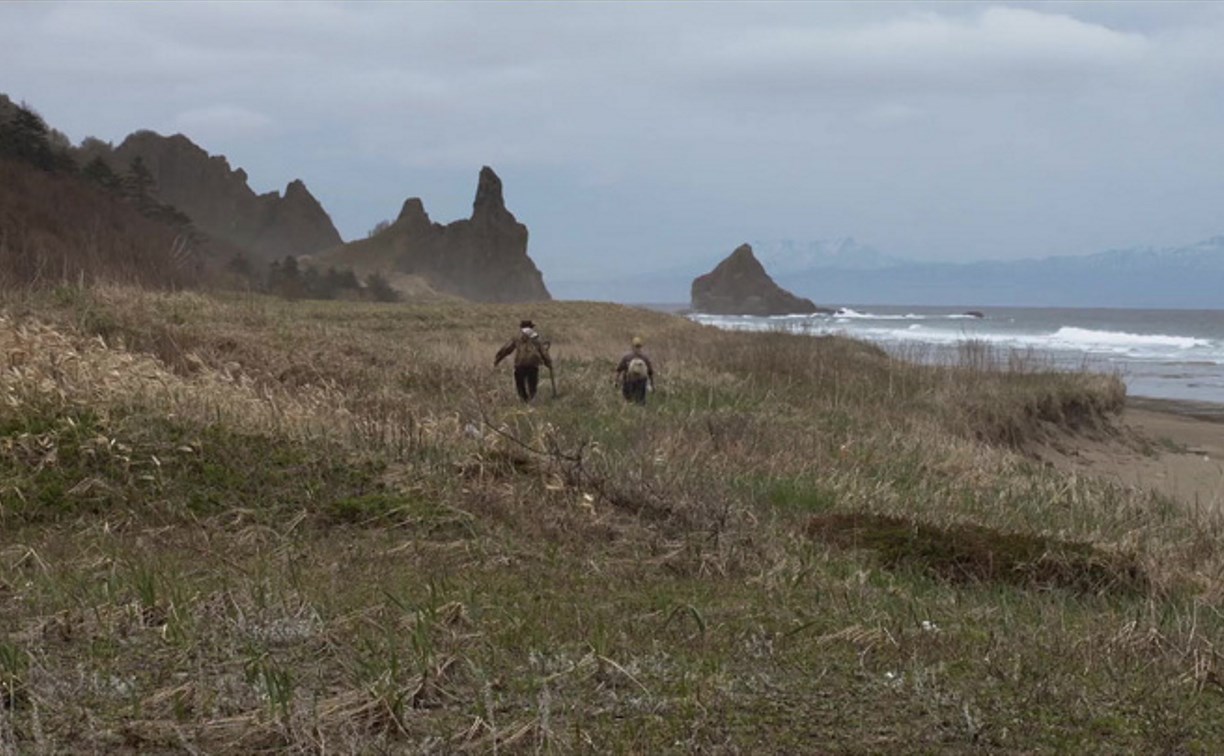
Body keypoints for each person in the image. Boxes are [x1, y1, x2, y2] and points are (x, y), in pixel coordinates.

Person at [494, 319, 552, 402]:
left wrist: (498, 359)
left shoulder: (516, 337)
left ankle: (524, 400)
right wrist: (548, 362)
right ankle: (532, 399)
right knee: (532, 384)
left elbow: (507, 349)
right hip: (533, 364)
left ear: (521, 327)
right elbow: (543, 351)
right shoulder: (535, 337)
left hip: (520, 364)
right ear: (531, 327)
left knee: (520, 384)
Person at [615, 336, 655, 404]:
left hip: (628, 382)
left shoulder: (627, 357)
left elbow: (619, 370)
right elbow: (650, 373)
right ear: (641, 346)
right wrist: (652, 385)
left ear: (632, 346)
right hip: (641, 383)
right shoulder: (645, 358)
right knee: (640, 402)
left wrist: (616, 381)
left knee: (628, 401)